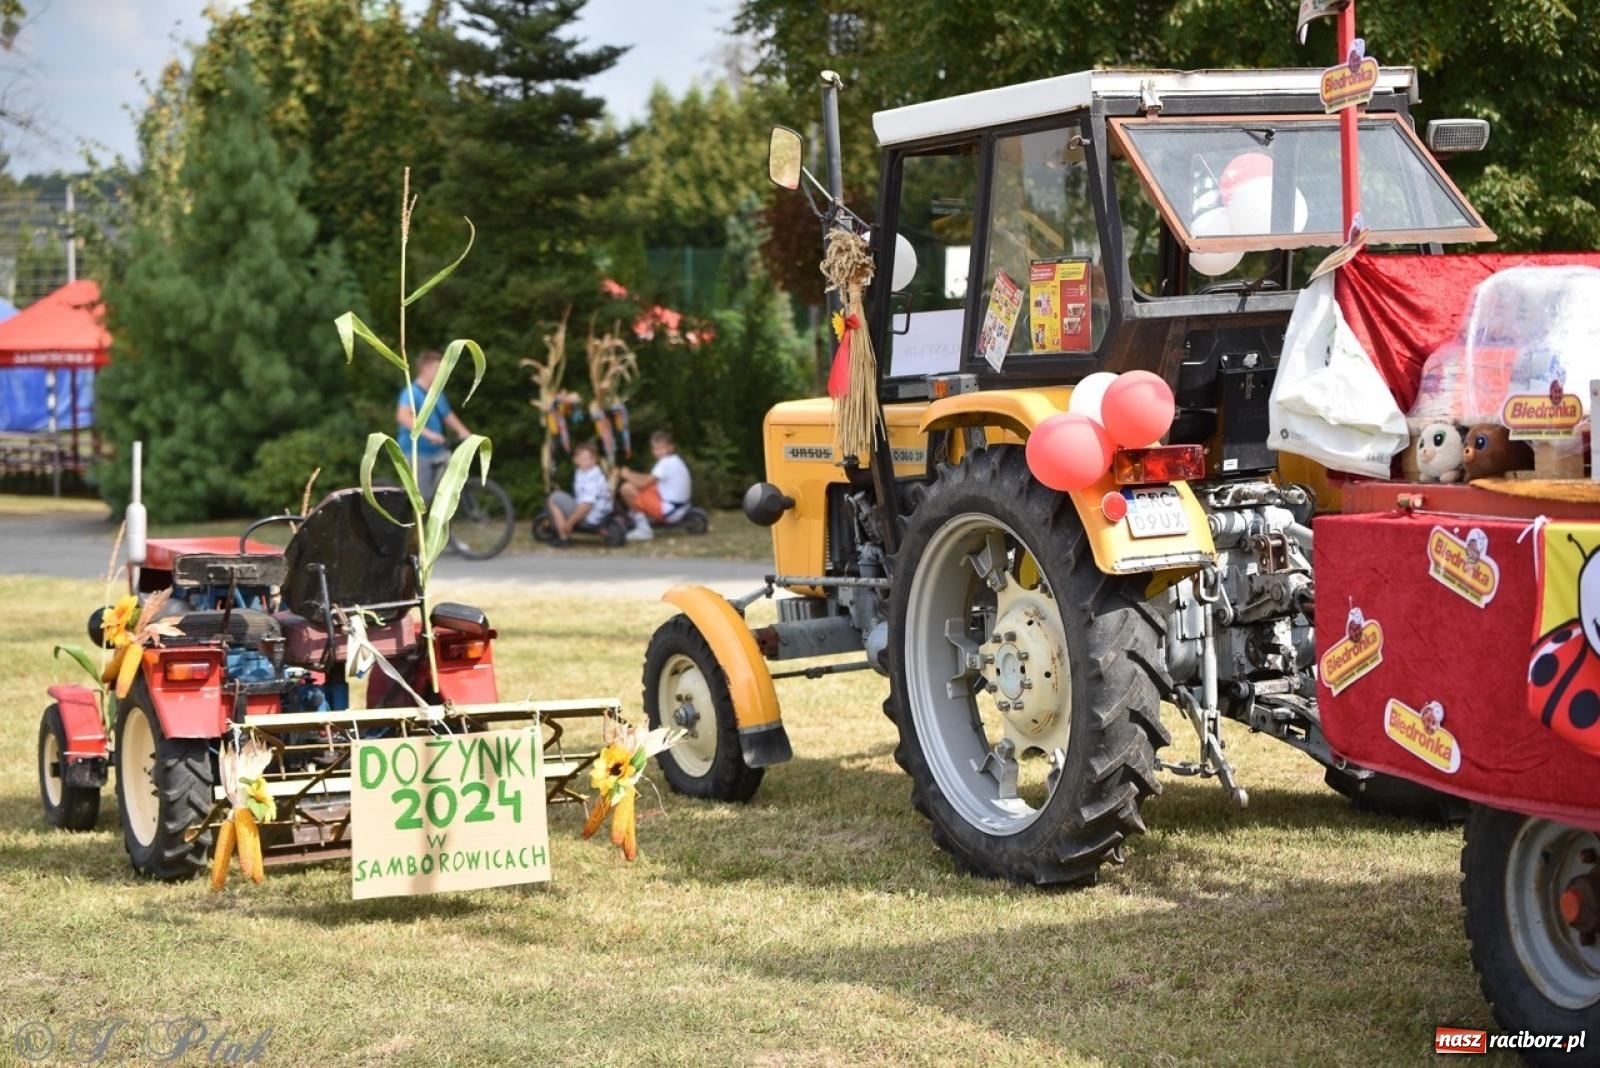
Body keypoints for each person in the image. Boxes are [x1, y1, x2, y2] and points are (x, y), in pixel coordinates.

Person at [395, 349, 472, 500]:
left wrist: (465, 433)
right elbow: (403, 417)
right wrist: (428, 433)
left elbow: (447, 415)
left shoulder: (437, 393)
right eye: (438, 369)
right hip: (417, 452)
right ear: (426, 368)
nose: (441, 373)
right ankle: (412, 522)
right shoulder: (411, 392)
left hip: (437, 450)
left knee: (449, 482)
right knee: (422, 498)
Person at [619, 430, 691, 542]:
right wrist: (630, 474)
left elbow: (642, 484)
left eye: (662, 448)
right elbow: (648, 478)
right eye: (655, 449)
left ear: (671, 448)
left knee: (626, 488)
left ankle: (643, 530)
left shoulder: (665, 463)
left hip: (670, 511)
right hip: (680, 507)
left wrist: (626, 475)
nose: (658, 452)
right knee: (643, 487)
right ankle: (637, 513)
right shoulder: (674, 460)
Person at [546, 441, 612, 547]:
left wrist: (570, 523)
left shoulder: (592, 476)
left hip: (592, 517)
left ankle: (563, 536)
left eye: (590, 459)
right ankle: (561, 531)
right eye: (583, 459)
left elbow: (587, 505)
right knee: (561, 498)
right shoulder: (581, 472)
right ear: (576, 460)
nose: (587, 462)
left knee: (554, 498)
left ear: (595, 460)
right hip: (597, 514)